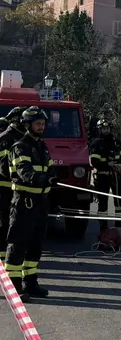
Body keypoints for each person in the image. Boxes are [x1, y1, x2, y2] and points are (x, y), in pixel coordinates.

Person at [5, 106, 56, 301]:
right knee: (18, 245)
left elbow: (50, 169)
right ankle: (14, 288)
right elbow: (24, 172)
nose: (41, 127)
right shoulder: (20, 146)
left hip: (41, 203)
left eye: (43, 124)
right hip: (24, 202)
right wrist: (42, 179)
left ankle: (31, 284)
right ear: (28, 125)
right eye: (37, 124)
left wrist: (52, 178)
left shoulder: (42, 146)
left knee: (36, 246)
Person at [89, 118, 121, 231]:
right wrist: (108, 164)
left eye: (107, 128)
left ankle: (119, 228)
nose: (106, 131)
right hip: (102, 177)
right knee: (102, 203)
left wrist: (119, 164)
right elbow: (95, 162)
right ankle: (103, 229)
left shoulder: (116, 142)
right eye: (103, 129)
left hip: (117, 176)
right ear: (100, 130)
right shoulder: (96, 144)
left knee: (120, 202)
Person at [0, 107, 27, 265]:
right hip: (4, 190)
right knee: (4, 225)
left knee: (14, 225)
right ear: (16, 120)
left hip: (16, 190)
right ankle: (2, 259)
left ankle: (10, 257)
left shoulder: (21, 137)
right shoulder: (6, 138)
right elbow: (4, 168)